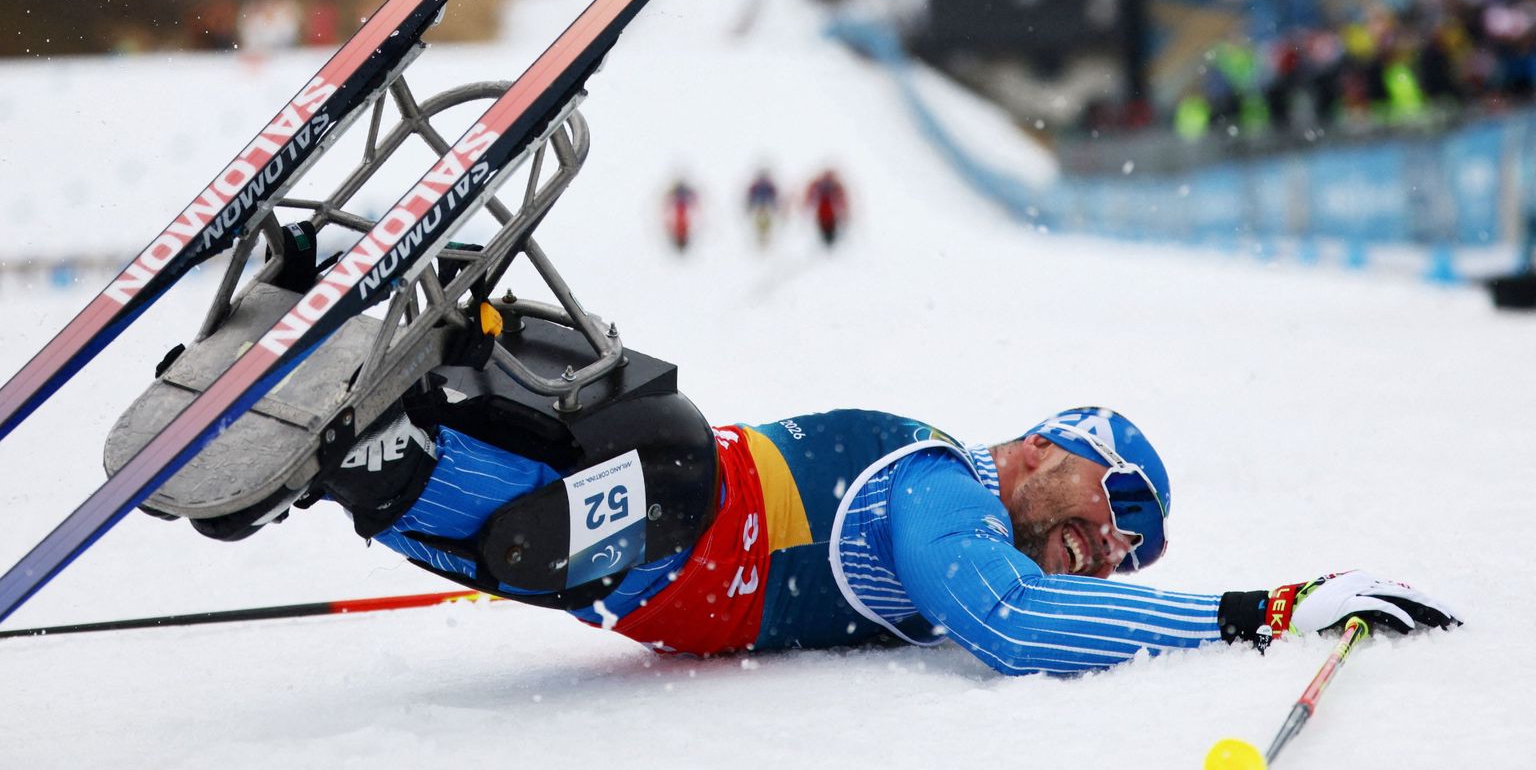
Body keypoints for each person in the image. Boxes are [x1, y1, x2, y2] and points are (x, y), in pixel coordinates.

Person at [315, 400, 1459, 676]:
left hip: (640, 580)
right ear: (1042, 450)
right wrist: (1258, 613)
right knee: (600, 510)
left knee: (516, 547)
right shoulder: (941, 480)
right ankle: (380, 428)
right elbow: (1008, 622)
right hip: (676, 511)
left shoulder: (983, 521)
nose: (1115, 550)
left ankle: (343, 457)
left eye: (1132, 553)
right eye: (1118, 513)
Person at [804, 170, 848, 247]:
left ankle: (829, 243)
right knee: (825, 232)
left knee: (828, 232)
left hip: (829, 216)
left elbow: (841, 201)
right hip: (823, 215)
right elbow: (811, 197)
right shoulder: (828, 186)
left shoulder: (835, 187)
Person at [745, 170, 779, 247]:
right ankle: (761, 239)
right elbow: (751, 198)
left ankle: (764, 239)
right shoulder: (757, 186)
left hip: (765, 208)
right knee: (761, 224)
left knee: (765, 224)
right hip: (760, 208)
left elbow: (774, 198)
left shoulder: (768, 186)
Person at [663, 178, 698, 251]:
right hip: (681, 204)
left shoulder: (678, 229)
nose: (681, 234)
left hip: (680, 204)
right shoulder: (682, 229)